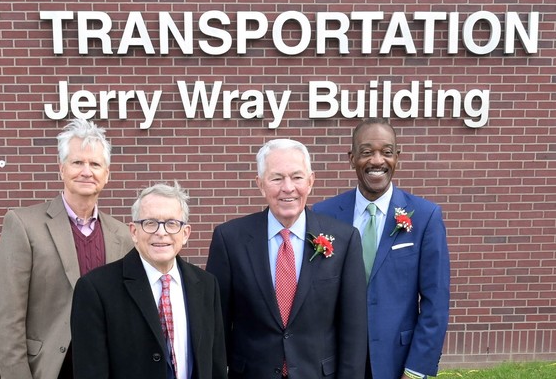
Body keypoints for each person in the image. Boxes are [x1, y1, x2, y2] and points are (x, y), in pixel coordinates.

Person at [206, 138, 367, 379]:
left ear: (311, 181)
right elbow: (215, 325)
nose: (288, 187)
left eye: (297, 177)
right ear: (261, 184)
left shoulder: (344, 239)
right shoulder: (230, 239)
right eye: (277, 178)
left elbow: (353, 329)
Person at [0, 118, 134, 379]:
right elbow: (7, 318)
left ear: (107, 174)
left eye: (95, 164)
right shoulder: (23, 224)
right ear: (62, 169)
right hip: (50, 368)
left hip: (108, 366)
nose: (86, 171)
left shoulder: (122, 234)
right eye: (77, 162)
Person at [313, 118, 450, 379]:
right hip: (335, 362)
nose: (377, 161)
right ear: (351, 158)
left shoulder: (425, 216)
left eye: (386, 152)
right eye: (366, 152)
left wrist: (416, 369)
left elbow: (436, 302)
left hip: (396, 362)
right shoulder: (324, 214)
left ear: (397, 157)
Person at [71, 182, 227, 379]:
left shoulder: (206, 285)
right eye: (150, 223)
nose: (161, 232)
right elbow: (90, 372)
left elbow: (216, 365)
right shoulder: (95, 289)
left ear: (185, 233)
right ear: (134, 232)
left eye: (171, 223)